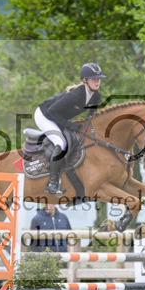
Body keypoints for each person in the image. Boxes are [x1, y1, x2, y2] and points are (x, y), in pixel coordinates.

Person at [35, 62, 105, 194]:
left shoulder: (96, 96)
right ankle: (52, 183)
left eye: (99, 79)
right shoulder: (75, 95)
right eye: (94, 79)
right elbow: (51, 112)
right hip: (44, 115)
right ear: (85, 80)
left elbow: (91, 116)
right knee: (60, 143)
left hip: (58, 116)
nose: (97, 82)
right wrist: (69, 125)